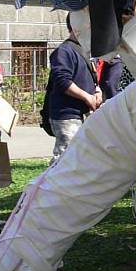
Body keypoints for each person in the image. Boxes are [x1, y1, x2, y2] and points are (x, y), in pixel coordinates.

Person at [47, 14, 101, 165]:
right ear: (76, 25)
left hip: (83, 113)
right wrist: (86, 97)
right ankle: (50, 187)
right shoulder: (64, 51)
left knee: (81, 157)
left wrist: (97, 91)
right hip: (67, 114)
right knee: (65, 157)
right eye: (88, 24)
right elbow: (62, 81)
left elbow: (93, 78)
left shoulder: (85, 50)